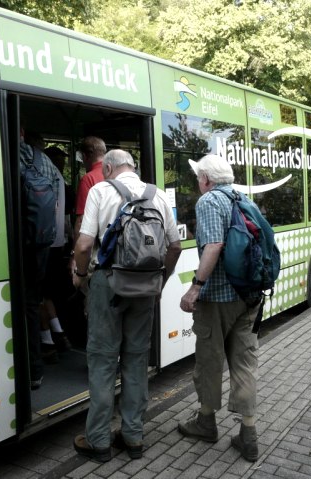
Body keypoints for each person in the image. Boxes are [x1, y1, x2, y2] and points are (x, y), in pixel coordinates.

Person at [72, 149, 181, 462]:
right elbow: (173, 246)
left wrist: (81, 276)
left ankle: (98, 441)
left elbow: (83, 245)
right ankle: (133, 437)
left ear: (108, 168)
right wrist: (161, 279)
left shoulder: (100, 190)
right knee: (136, 360)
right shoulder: (157, 194)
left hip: (108, 283)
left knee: (104, 361)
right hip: (146, 286)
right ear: (133, 168)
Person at [177, 154, 260, 462]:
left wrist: (196, 287)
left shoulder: (210, 201)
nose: (198, 182)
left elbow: (214, 245)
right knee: (244, 364)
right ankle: (248, 434)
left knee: (210, 362)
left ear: (206, 180)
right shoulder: (242, 197)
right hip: (248, 297)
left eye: (198, 177)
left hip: (218, 300)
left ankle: (206, 422)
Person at [20, 127, 59, 390]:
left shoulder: (4, 154)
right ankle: (36, 371)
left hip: (18, 244)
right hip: (42, 241)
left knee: (24, 305)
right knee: (33, 302)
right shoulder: (43, 160)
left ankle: (28, 368)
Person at [39, 146, 73, 361]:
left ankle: (49, 341)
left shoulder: (42, 175)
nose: (62, 164)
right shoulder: (62, 182)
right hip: (58, 243)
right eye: (60, 160)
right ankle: (58, 333)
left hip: (44, 244)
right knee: (46, 293)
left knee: (39, 294)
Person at [68, 136, 106, 276]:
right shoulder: (116, 175)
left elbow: (80, 222)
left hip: (95, 250)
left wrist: (74, 255)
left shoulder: (88, 178)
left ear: (85, 156)